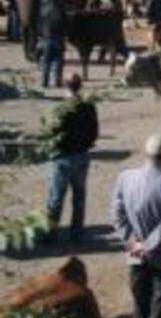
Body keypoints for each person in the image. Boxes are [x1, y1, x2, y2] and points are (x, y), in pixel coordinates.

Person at [112, 134, 161, 318]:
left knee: (139, 304)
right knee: (159, 306)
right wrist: (148, 245)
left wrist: (134, 243)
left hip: (135, 256)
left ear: (145, 154)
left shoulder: (125, 178)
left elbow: (118, 215)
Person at [44, 74, 99, 243]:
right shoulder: (89, 107)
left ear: (65, 85)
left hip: (63, 157)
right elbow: (94, 132)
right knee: (79, 196)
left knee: (56, 197)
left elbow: (51, 133)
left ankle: (51, 234)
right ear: (80, 86)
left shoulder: (61, 108)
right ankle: (76, 233)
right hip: (82, 156)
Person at [39, 0, 66, 88]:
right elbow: (66, 25)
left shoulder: (44, 9)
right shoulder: (61, 11)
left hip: (46, 37)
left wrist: (41, 34)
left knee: (46, 62)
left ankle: (44, 82)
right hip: (58, 38)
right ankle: (57, 82)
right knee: (58, 62)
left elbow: (39, 23)